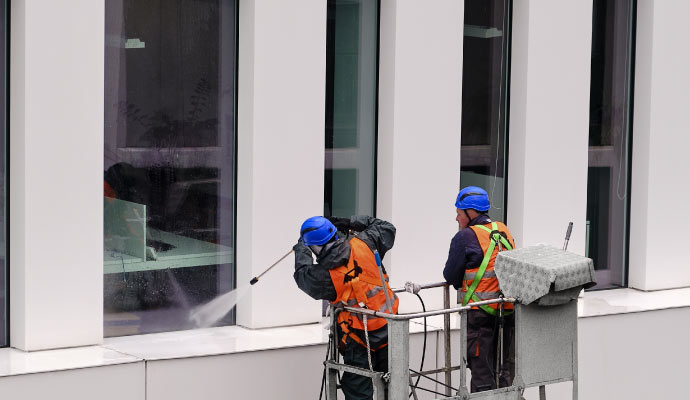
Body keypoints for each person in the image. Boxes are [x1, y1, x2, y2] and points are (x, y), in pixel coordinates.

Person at [293, 215, 398, 400]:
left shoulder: (326, 276)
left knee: (358, 391)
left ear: (315, 249)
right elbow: (387, 227)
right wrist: (350, 221)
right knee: (394, 387)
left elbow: (303, 276)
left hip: (359, 340)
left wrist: (301, 248)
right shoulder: (365, 242)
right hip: (390, 328)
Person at [443, 186, 516, 393]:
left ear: (470, 212)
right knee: (504, 372)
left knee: (482, 372)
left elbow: (451, 276)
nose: (456, 218)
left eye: (458, 213)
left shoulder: (465, 237)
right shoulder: (503, 229)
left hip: (480, 317)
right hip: (507, 312)